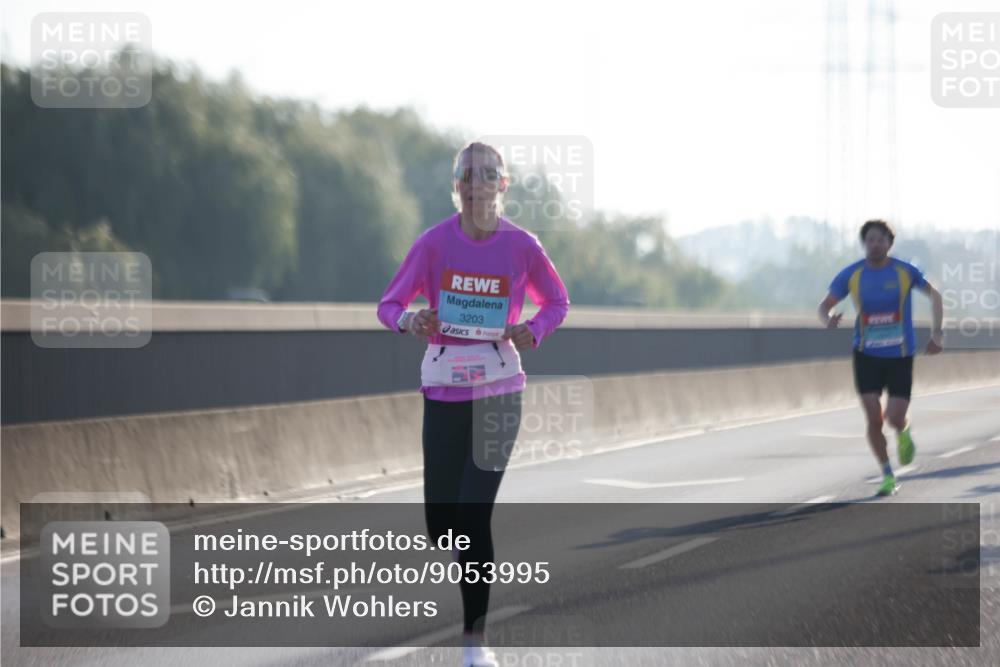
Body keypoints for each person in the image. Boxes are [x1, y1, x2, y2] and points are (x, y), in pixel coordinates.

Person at [377, 141, 570, 666]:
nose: (477, 182)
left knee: (472, 515)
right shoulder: (434, 244)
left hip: (499, 390)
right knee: (443, 525)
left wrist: (535, 329)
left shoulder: (522, 246)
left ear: (502, 187)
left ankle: (474, 643)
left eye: (488, 175)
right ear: (457, 186)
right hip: (443, 389)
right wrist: (408, 319)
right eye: (468, 174)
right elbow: (389, 303)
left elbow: (557, 301)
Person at [818, 219, 944, 496]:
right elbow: (824, 305)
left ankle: (904, 431)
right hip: (866, 355)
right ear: (864, 243)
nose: (876, 244)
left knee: (895, 418)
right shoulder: (851, 275)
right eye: (871, 239)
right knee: (874, 419)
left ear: (889, 243)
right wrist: (827, 319)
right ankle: (888, 475)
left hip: (900, 354)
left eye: (881, 239)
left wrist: (937, 335)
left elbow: (935, 296)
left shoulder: (904, 272)